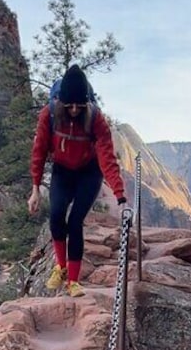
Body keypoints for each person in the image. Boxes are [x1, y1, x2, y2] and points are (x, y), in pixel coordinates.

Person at [28, 64, 127, 297]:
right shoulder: (49, 114)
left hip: (88, 173)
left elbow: (107, 157)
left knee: (75, 222)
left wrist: (120, 195)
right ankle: (60, 267)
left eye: (79, 105)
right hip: (63, 170)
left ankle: (73, 281)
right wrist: (34, 189)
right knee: (55, 215)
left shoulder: (95, 119)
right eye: (69, 105)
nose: (74, 110)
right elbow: (39, 151)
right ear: (60, 102)